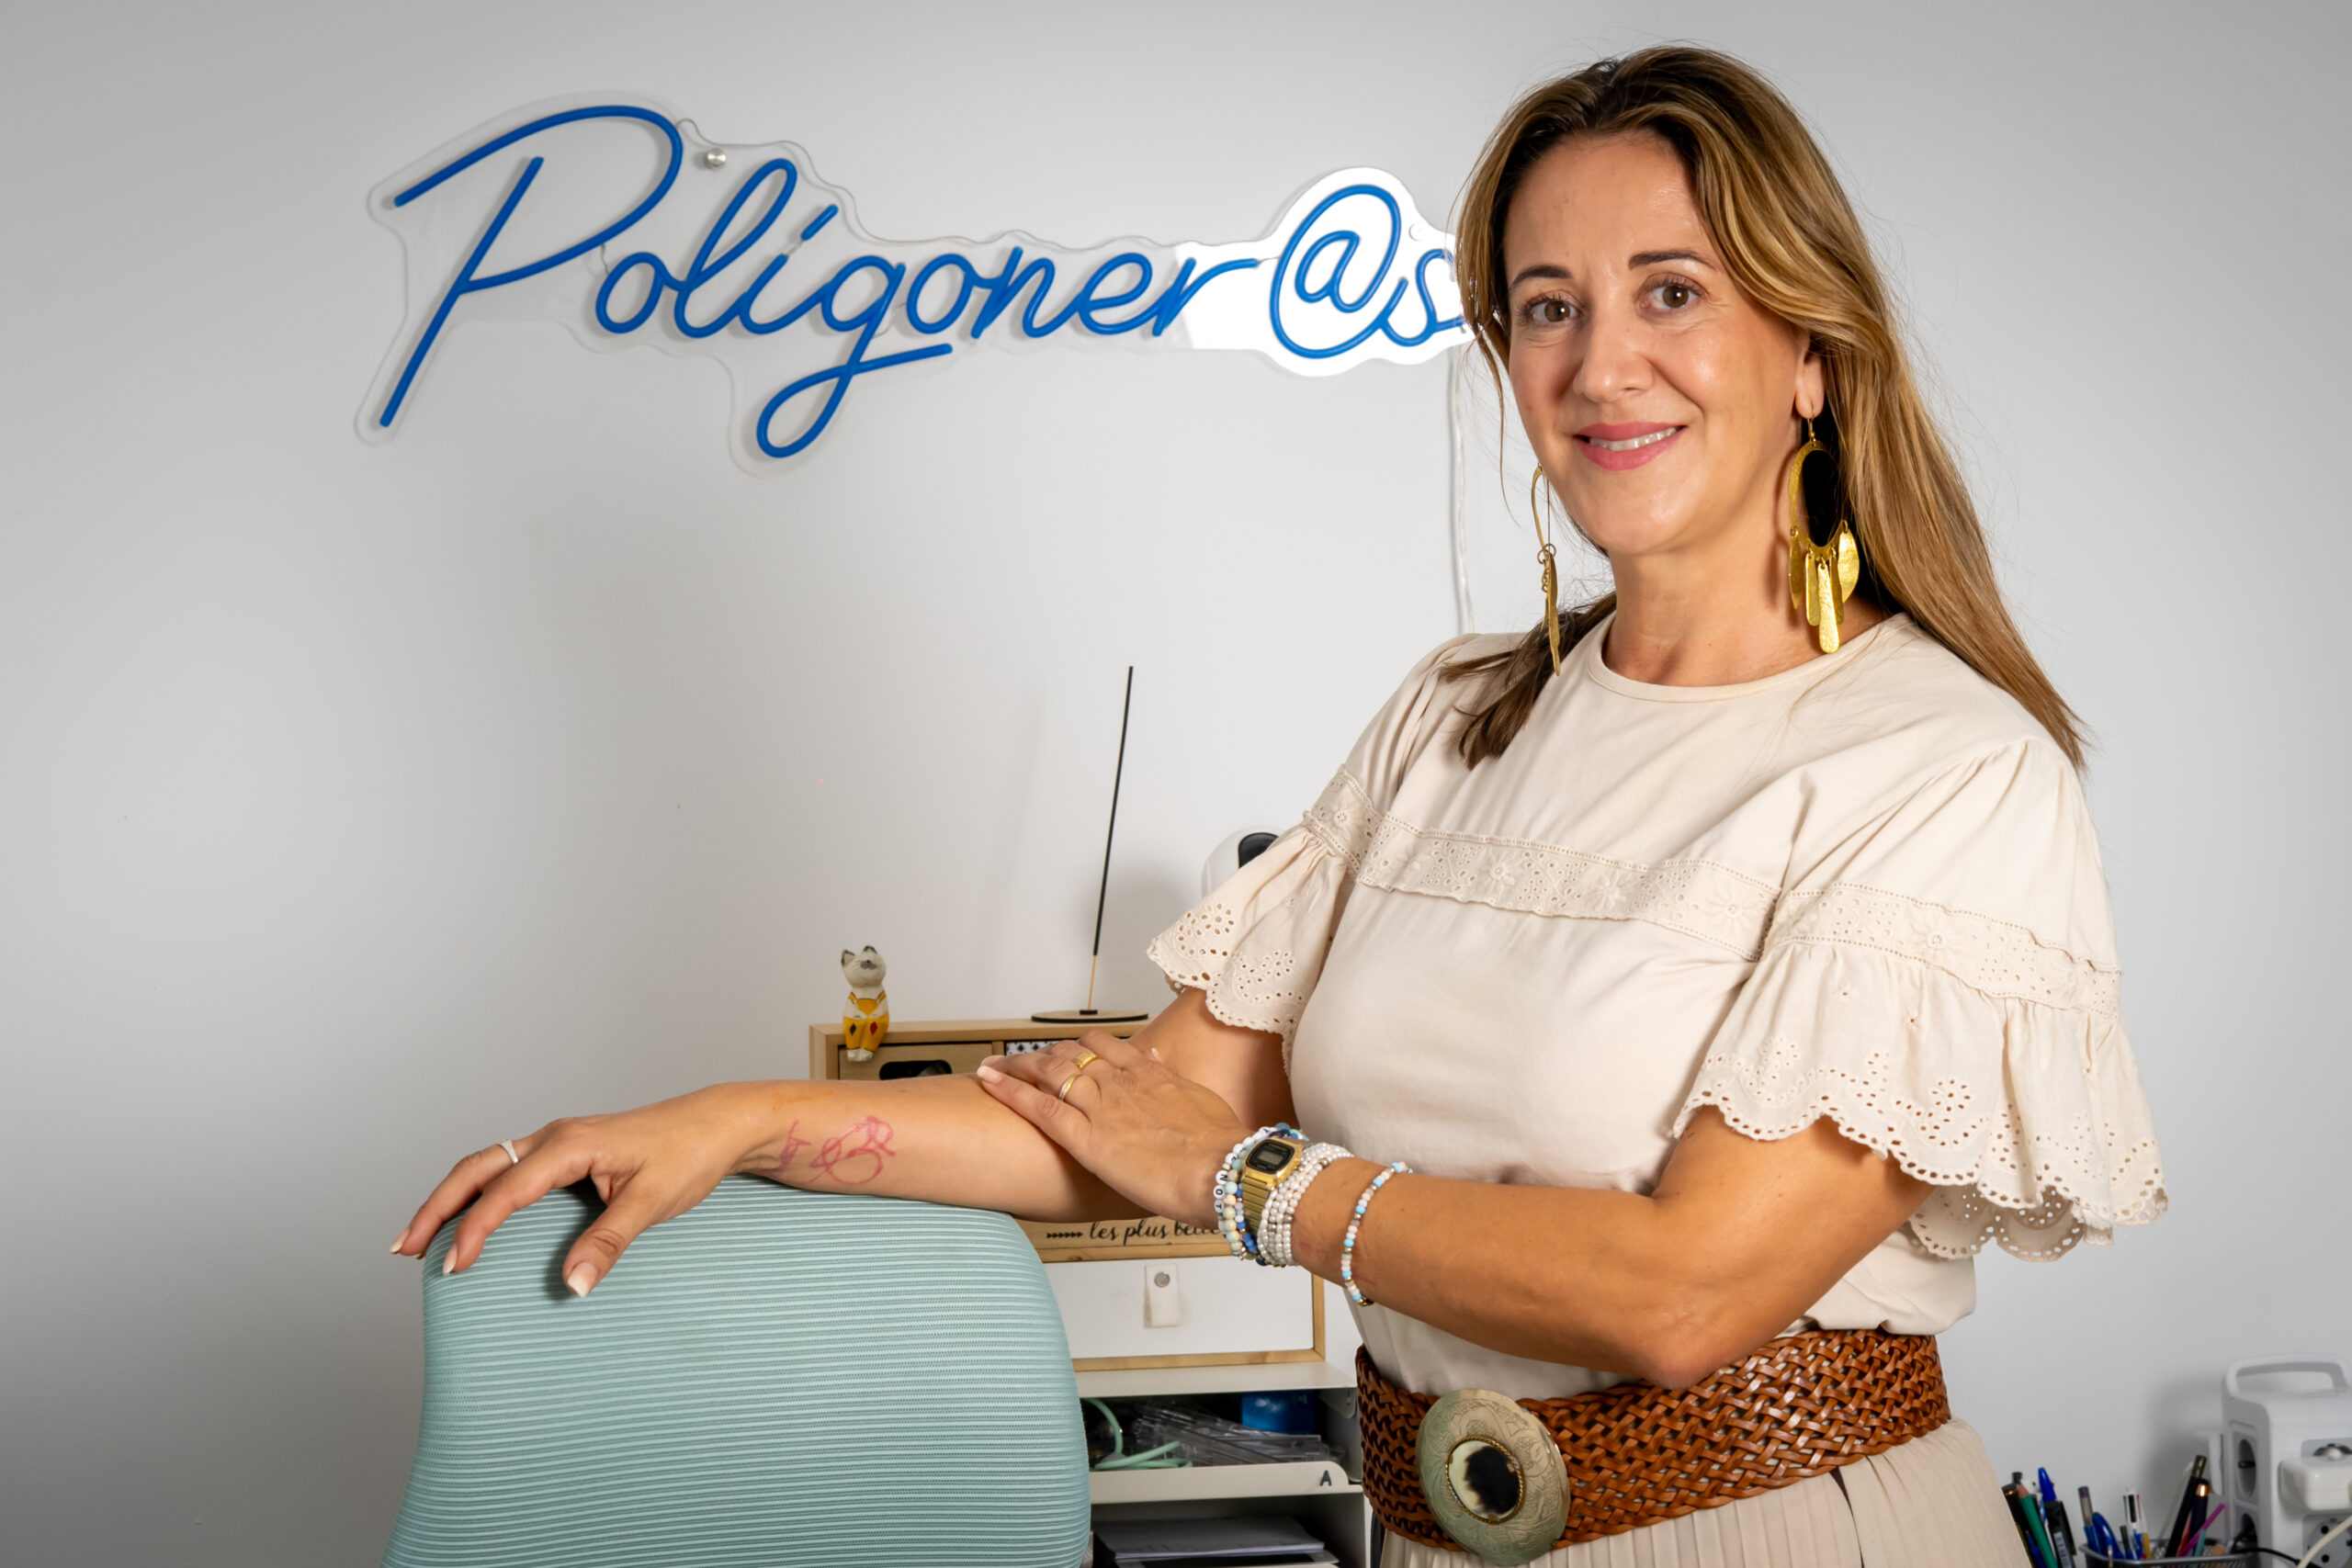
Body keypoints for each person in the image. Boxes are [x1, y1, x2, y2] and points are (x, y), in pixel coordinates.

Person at [394, 45, 2163, 1567]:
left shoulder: (1940, 767)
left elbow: (1680, 1293)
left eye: (1673, 291)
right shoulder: (1458, 719)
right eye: (1548, 307)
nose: (1602, 365)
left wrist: (1242, 1181)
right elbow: (1133, 1117)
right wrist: (732, 1123)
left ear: (1814, 350)